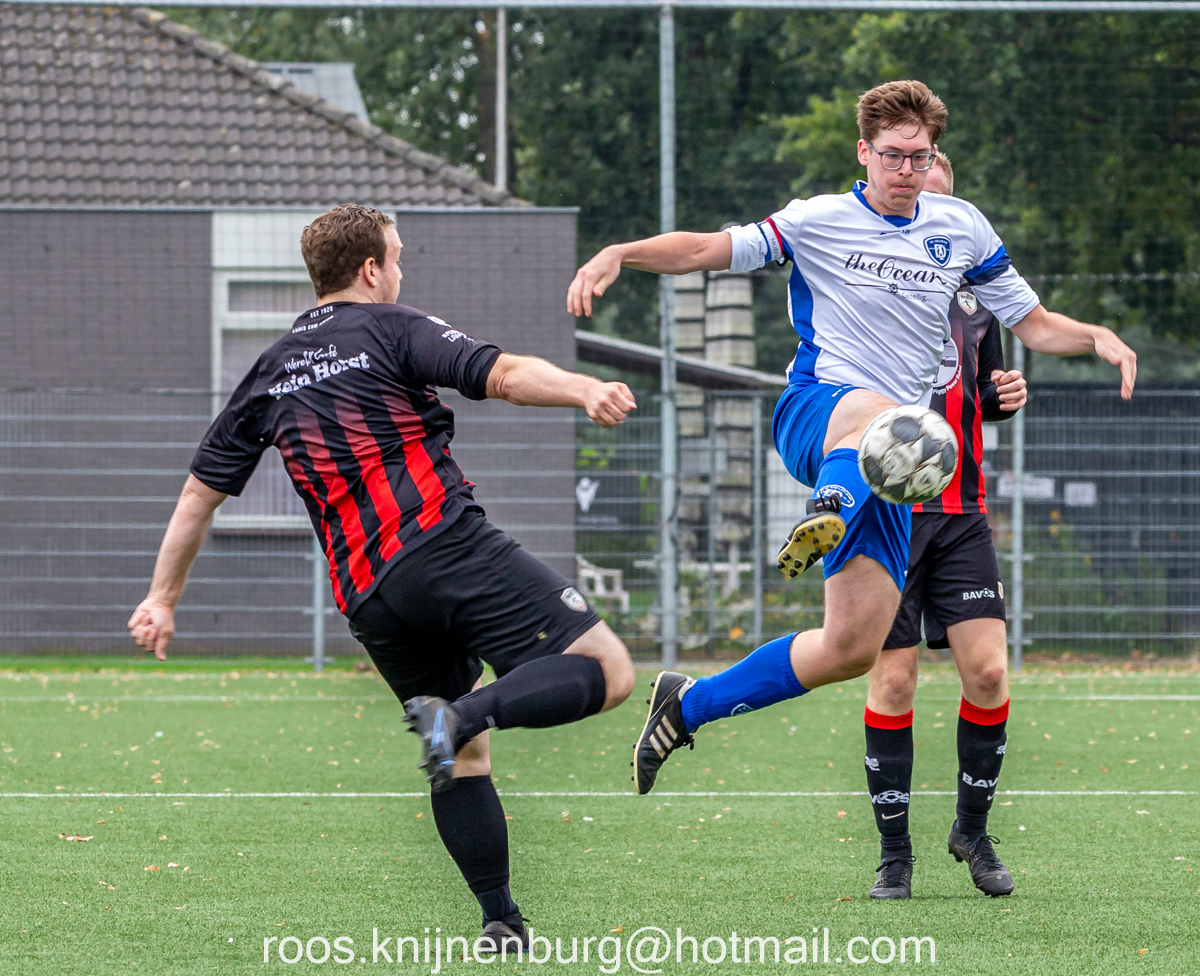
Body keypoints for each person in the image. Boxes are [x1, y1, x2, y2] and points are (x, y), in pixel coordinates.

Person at [566, 80, 1135, 802]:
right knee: (885, 413)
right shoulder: (818, 219)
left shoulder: (962, 227)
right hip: (818, 413)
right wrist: (620, 252)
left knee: (849, 649)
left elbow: (1037, 324)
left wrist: (1096, 337)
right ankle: (828, 504)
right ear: (863, 152)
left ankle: (688, 704)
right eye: (893, 156)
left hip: (888, 469)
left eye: (920, 157)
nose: (907, 171)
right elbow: (708, 248)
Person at [128, 204, 638, 954]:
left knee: (461, 761)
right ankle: (460, 715)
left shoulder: (271, 370)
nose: (399, 269)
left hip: (368, 596)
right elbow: (502, 373)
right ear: (370, 269)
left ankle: (500, 920)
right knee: (608, 671)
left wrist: (161, 598)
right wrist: (582, 388)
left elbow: (198, 494)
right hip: (443, 545)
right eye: (396, 257)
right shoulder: (390, 327)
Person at [863, 153, 1025, 901]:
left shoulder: (978, 301)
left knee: (988, 673)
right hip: (887, 516)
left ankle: (972, 830)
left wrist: (1005, 395)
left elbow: (981, 394)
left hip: (961, 514)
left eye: (941, 203)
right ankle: (894, 855)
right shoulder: (862, 288)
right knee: (894, 680)